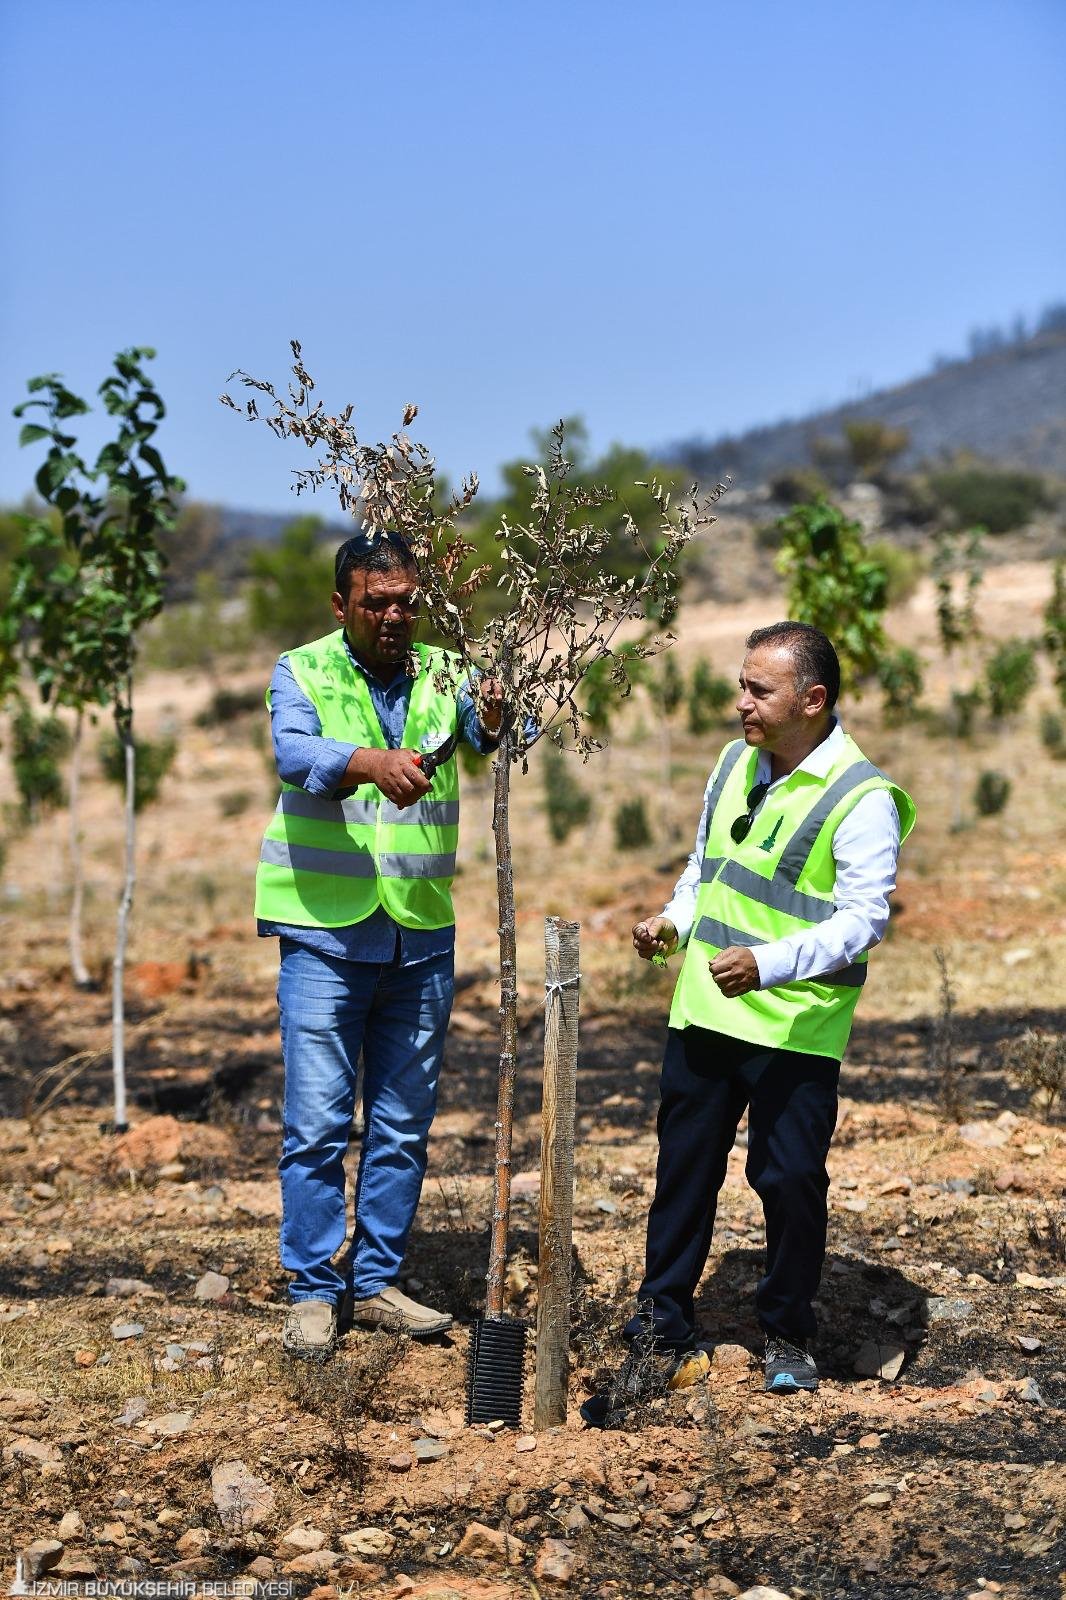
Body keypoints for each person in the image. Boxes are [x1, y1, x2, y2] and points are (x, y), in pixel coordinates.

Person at [602, 621, 915, 1410]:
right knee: (683, 1175)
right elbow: (705, 869)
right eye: (741, 684)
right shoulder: (734, 763)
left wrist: (767, 964)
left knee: (789, 1181)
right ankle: (662, 1328)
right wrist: (671, 921)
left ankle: (787, 1332)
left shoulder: (863, 797)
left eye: (758, 690)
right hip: (706, 1010)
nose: (739, 702)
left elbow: (861, 920)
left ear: (812, 700)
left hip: (796, 1027)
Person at [256, 529, 504, 1359]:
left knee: (403, 1122)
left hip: (422, 929)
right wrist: (367, 761)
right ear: (342, 604)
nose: (394, 617)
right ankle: (315, 1288)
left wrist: (503, 710)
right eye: (376, 603)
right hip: (324, 930)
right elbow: (294, 754)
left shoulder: (446, 671)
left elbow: (508, 731)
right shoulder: (303, 668)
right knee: (320, 1121)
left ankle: (377, 1280)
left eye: (406, 602)